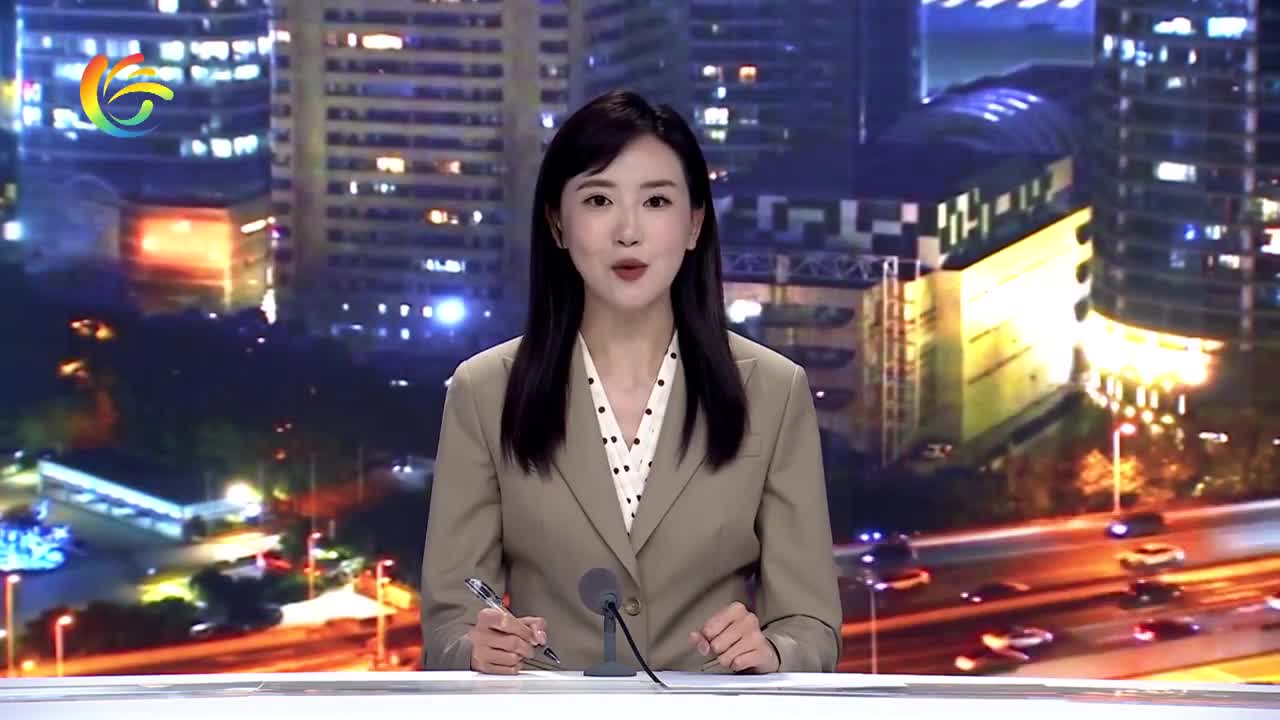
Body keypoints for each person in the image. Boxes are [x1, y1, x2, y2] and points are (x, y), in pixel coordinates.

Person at [420, 90, 840, 675]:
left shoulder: (773, 390)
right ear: (557, 223)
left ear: (694, 224)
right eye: (598, 200)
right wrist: (476, 648)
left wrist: (773, 651)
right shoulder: (485, 390)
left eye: (656, 201)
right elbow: (449, 625)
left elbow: (810, 626)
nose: (628, 232)